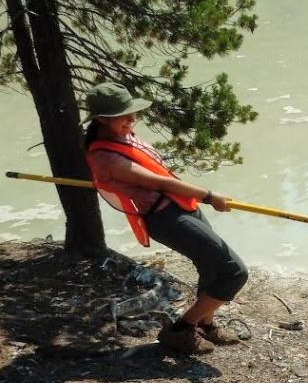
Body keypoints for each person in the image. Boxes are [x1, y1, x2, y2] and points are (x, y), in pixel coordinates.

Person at [83, 83, 248, 355]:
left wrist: (197, 200)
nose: (132, 119)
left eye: (133, 113)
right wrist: (209, 196)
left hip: (181, 205)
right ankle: (181, 330)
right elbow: (161, 183)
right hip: (165, 217)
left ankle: (205, 324)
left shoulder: (122, 136)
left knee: (212, 267)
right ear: (101, 119)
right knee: (234, 272)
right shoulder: (106, 158)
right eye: (124, 115)